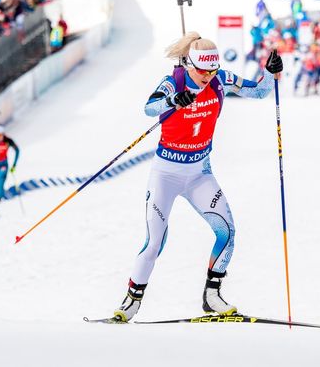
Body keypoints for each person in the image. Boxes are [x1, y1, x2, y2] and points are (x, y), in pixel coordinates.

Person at [113, 32, 283, 322]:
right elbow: (149, 108)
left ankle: (211, 295)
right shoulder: (174, 82)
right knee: (155, 241)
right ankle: (131, 301)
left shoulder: (220, 79)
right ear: (190, 65)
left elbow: (258, 91)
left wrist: (270, 73)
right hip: (166, 173)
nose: (208, 77)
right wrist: (173, 100)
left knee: (226, 232)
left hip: (199, 173)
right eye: (203, 71)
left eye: (212, 70)